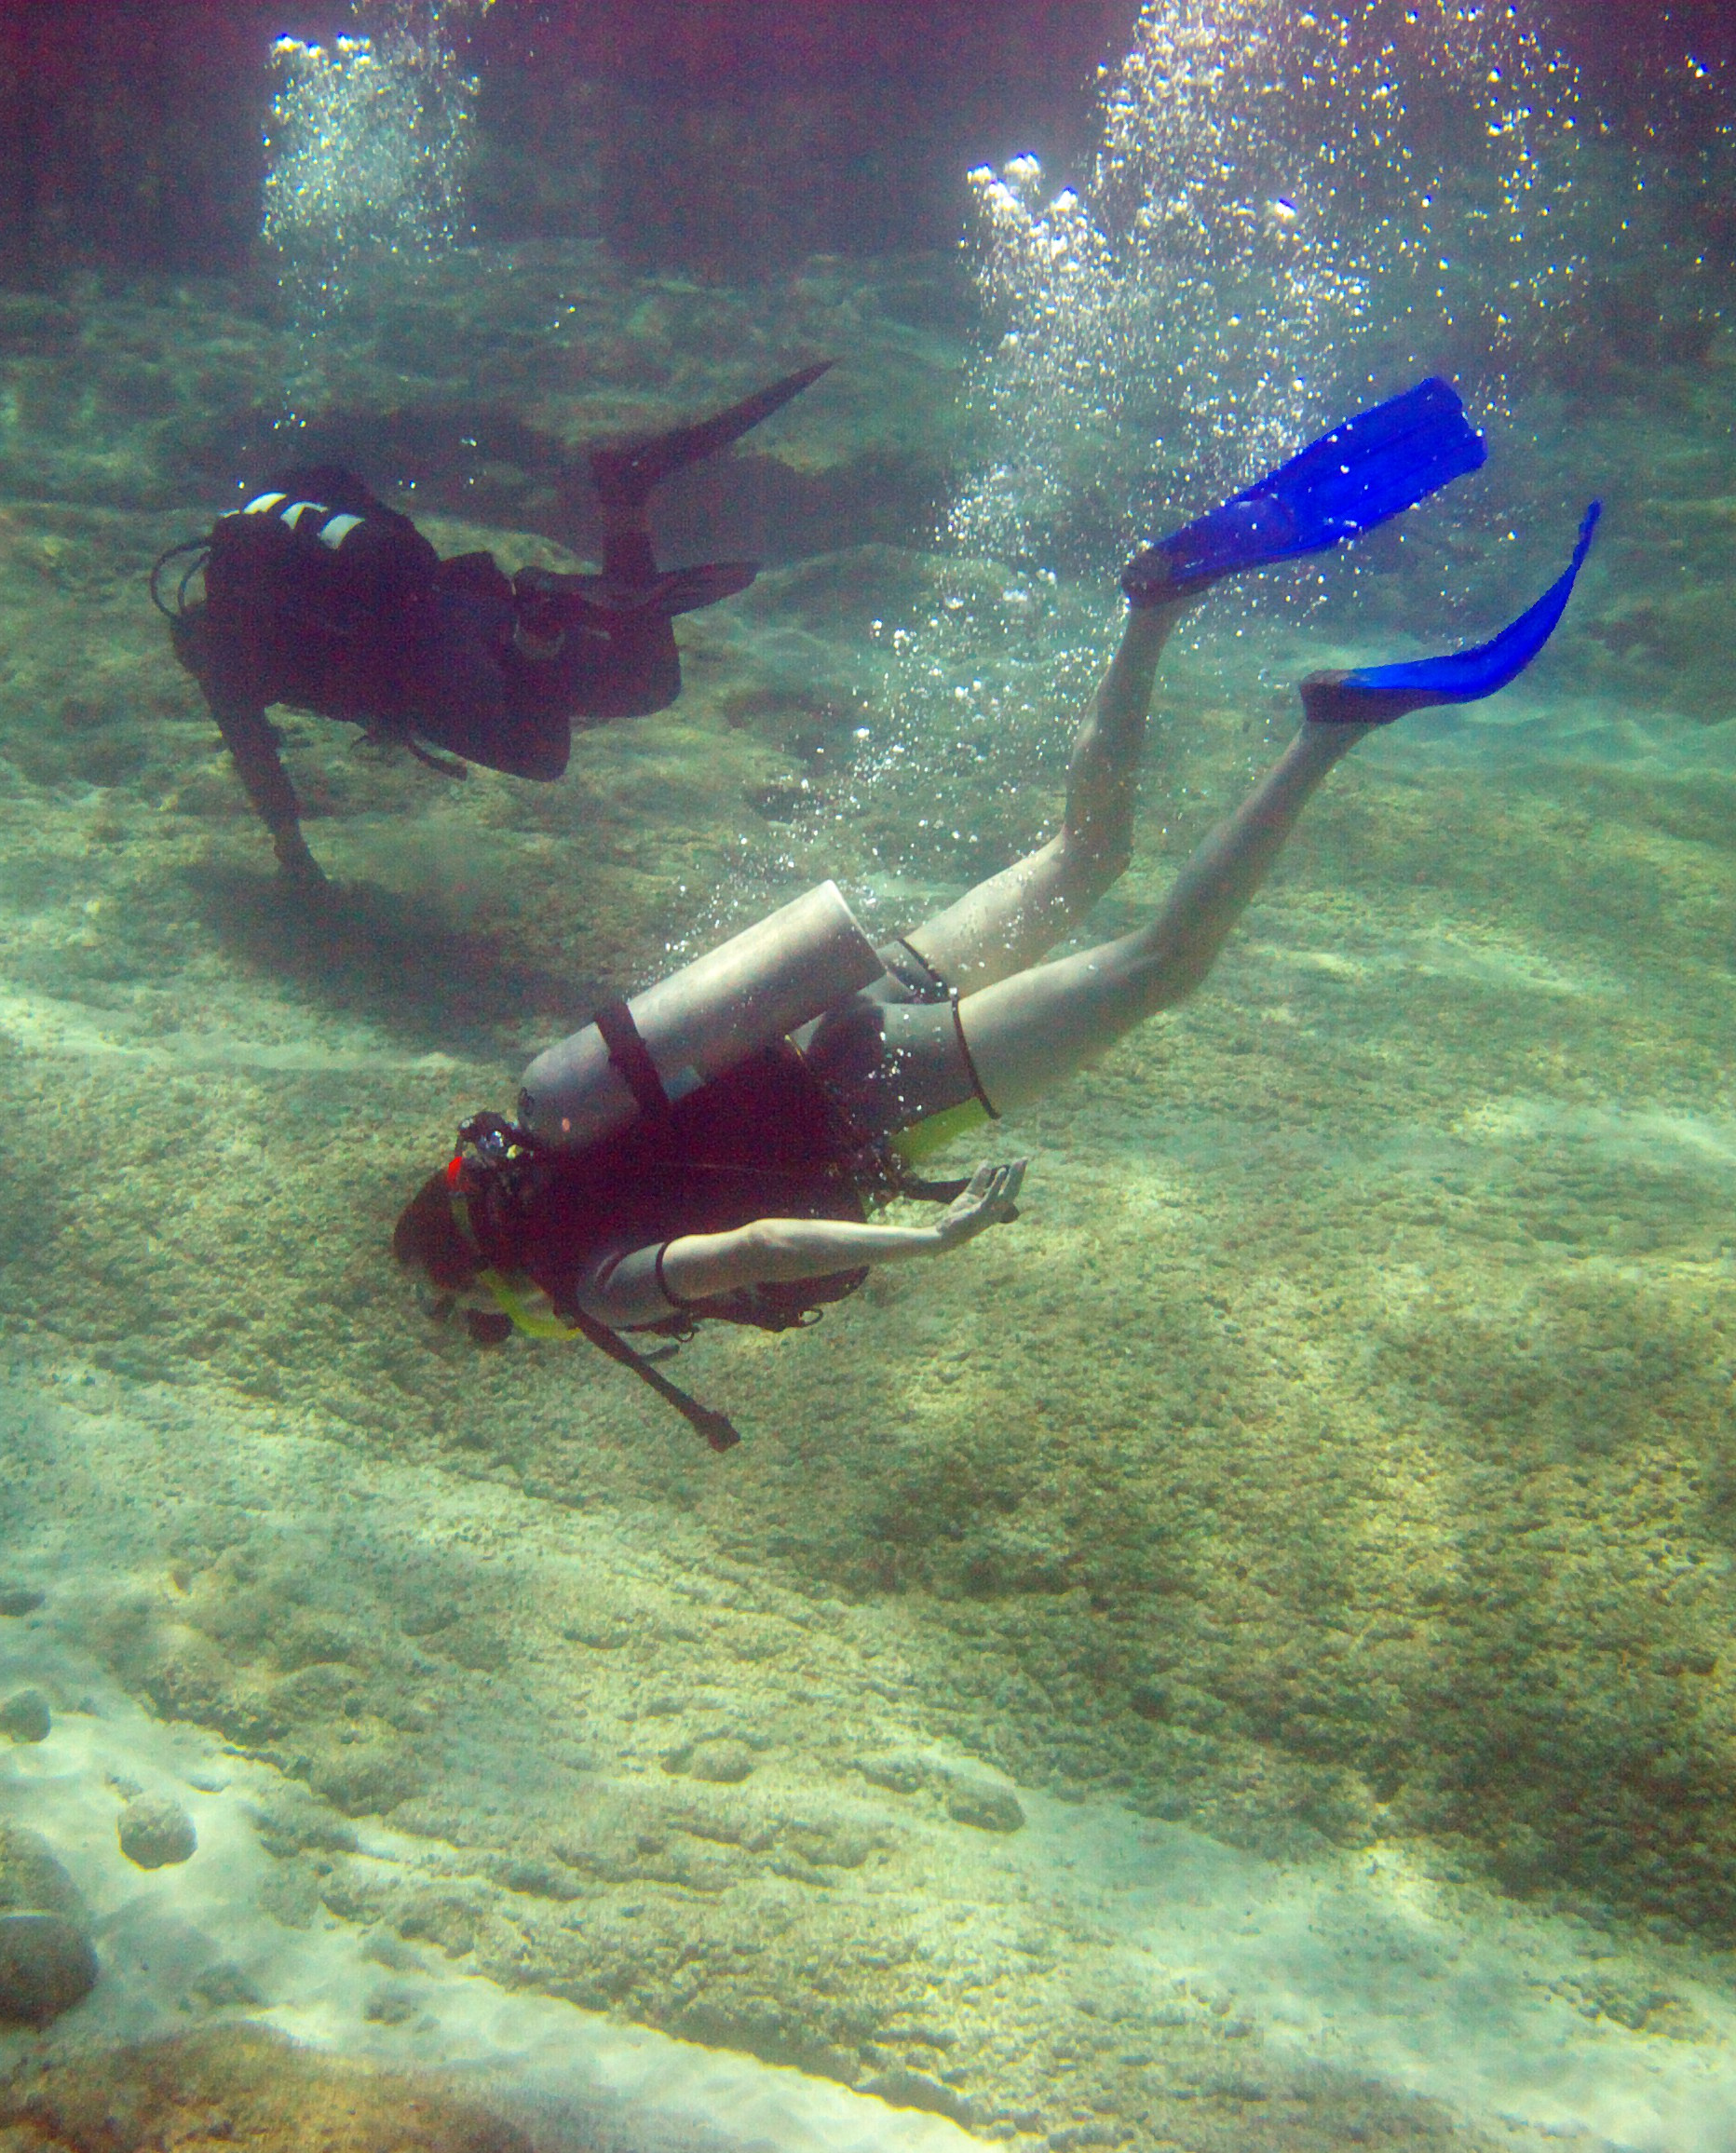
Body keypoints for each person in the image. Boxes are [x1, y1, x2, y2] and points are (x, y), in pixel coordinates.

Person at [390, 377, 1601, 1448]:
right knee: (1083, 856)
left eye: (473, 1326)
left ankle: (1329, 730)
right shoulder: (554, 1152)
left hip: (879, 1094)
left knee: (1161, 965)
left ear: (482, 1284)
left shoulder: (592, 1287)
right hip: (840, 1017)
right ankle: (1153, 608)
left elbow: (753, 1255)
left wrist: (925, 1244)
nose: (496, 1336)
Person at [152, 363, 834, 888]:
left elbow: (256, 761)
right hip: (454, 602)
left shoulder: (221, 650)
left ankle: (540, 625)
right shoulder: (305, 542)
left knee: (540, 757)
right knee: (648, 682)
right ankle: (625, 497)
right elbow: (391, 532)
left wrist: (292, 855)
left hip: (428, 671)